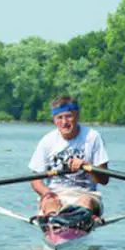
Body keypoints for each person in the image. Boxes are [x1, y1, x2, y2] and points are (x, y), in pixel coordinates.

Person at [28, 96, 110, 226]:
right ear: (54, 120)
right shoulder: (47, 141)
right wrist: (47, 193)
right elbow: (35, 180)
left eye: (68, 116)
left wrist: (87, 166)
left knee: (85, 202)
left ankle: (73, 221)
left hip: (87, 194)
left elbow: (104, 179)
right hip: (56, 194)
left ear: (77, 116)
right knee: (49, 202)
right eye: (59, 118)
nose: (64, 122)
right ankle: (54, 225)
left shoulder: (93, 137)